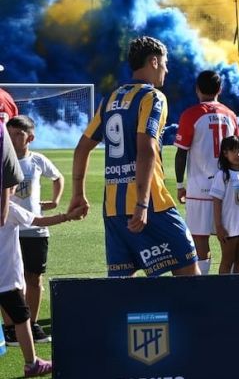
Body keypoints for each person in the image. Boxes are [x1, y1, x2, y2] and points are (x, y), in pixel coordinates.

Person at [70, 36, 199, 277]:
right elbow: (147, 149)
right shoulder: (153, 97)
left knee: (121, 289)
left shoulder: (110, 99)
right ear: (153, 61)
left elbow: (82, 148)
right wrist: (142, 203)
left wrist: (78, 193)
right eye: (164, 63)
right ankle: (185, 317)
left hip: (113, 209)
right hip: (152, 205)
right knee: (189, 271)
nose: (166, 69)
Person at [1, 201, 84, 377]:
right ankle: (32, 364)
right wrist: (66, 217)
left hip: (7, 280)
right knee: (22, 319)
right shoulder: (9, 207)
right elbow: (38, 221)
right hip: (7, 281)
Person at [2, 116, 63, 345]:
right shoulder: (3, 160)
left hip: (35, 229)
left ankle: (33, 323)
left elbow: (58, 178)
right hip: (10, 229)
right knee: (9, 282)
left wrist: (55, 201)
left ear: (30, 137)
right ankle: (10, 327)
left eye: (18, 134)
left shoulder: (37, 160)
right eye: (10, 133)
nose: (13, 138)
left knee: (34, 278)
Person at [174, 70, 239, 275]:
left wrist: (179, 185)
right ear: (220, 89)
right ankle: (228, 288)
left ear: (197, 89)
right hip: (227, 185)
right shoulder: (230, 115)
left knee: (199, 238)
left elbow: (181, 153)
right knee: (227, 237)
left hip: (199, 187)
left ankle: (204, 287)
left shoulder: (191, 114)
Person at [210, 136, 239, 274]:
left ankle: (238, 291)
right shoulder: (223, 175)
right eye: (234, 151)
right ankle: (223, 292)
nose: (238, 154)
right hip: (229, 227)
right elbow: (217, 201)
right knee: (227, 260)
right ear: (225, 153)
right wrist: (218, 226)